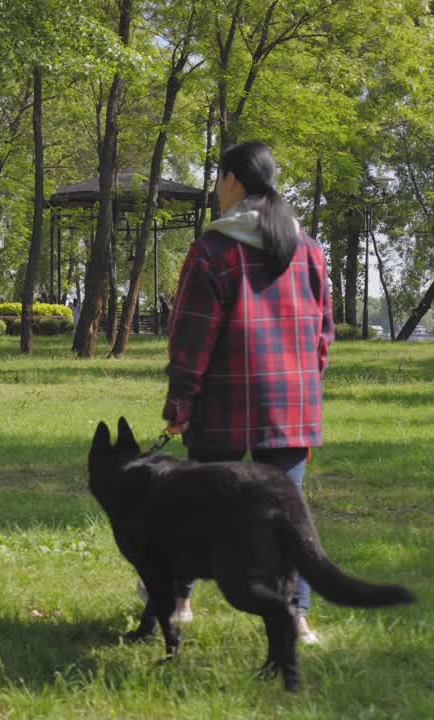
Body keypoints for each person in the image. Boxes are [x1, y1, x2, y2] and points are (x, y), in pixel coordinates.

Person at [153, 140, 334, 645]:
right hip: (291, 407)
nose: (216, 191)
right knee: (288, 517)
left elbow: (191, 339)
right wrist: (306, 389)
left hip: (223, 406)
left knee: (195, 506)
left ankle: (178, 602)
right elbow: (324, 335)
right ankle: (296, 616)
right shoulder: (310, 248)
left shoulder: (213, 249)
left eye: (218, 180)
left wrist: (179, 407)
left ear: (234, 181)